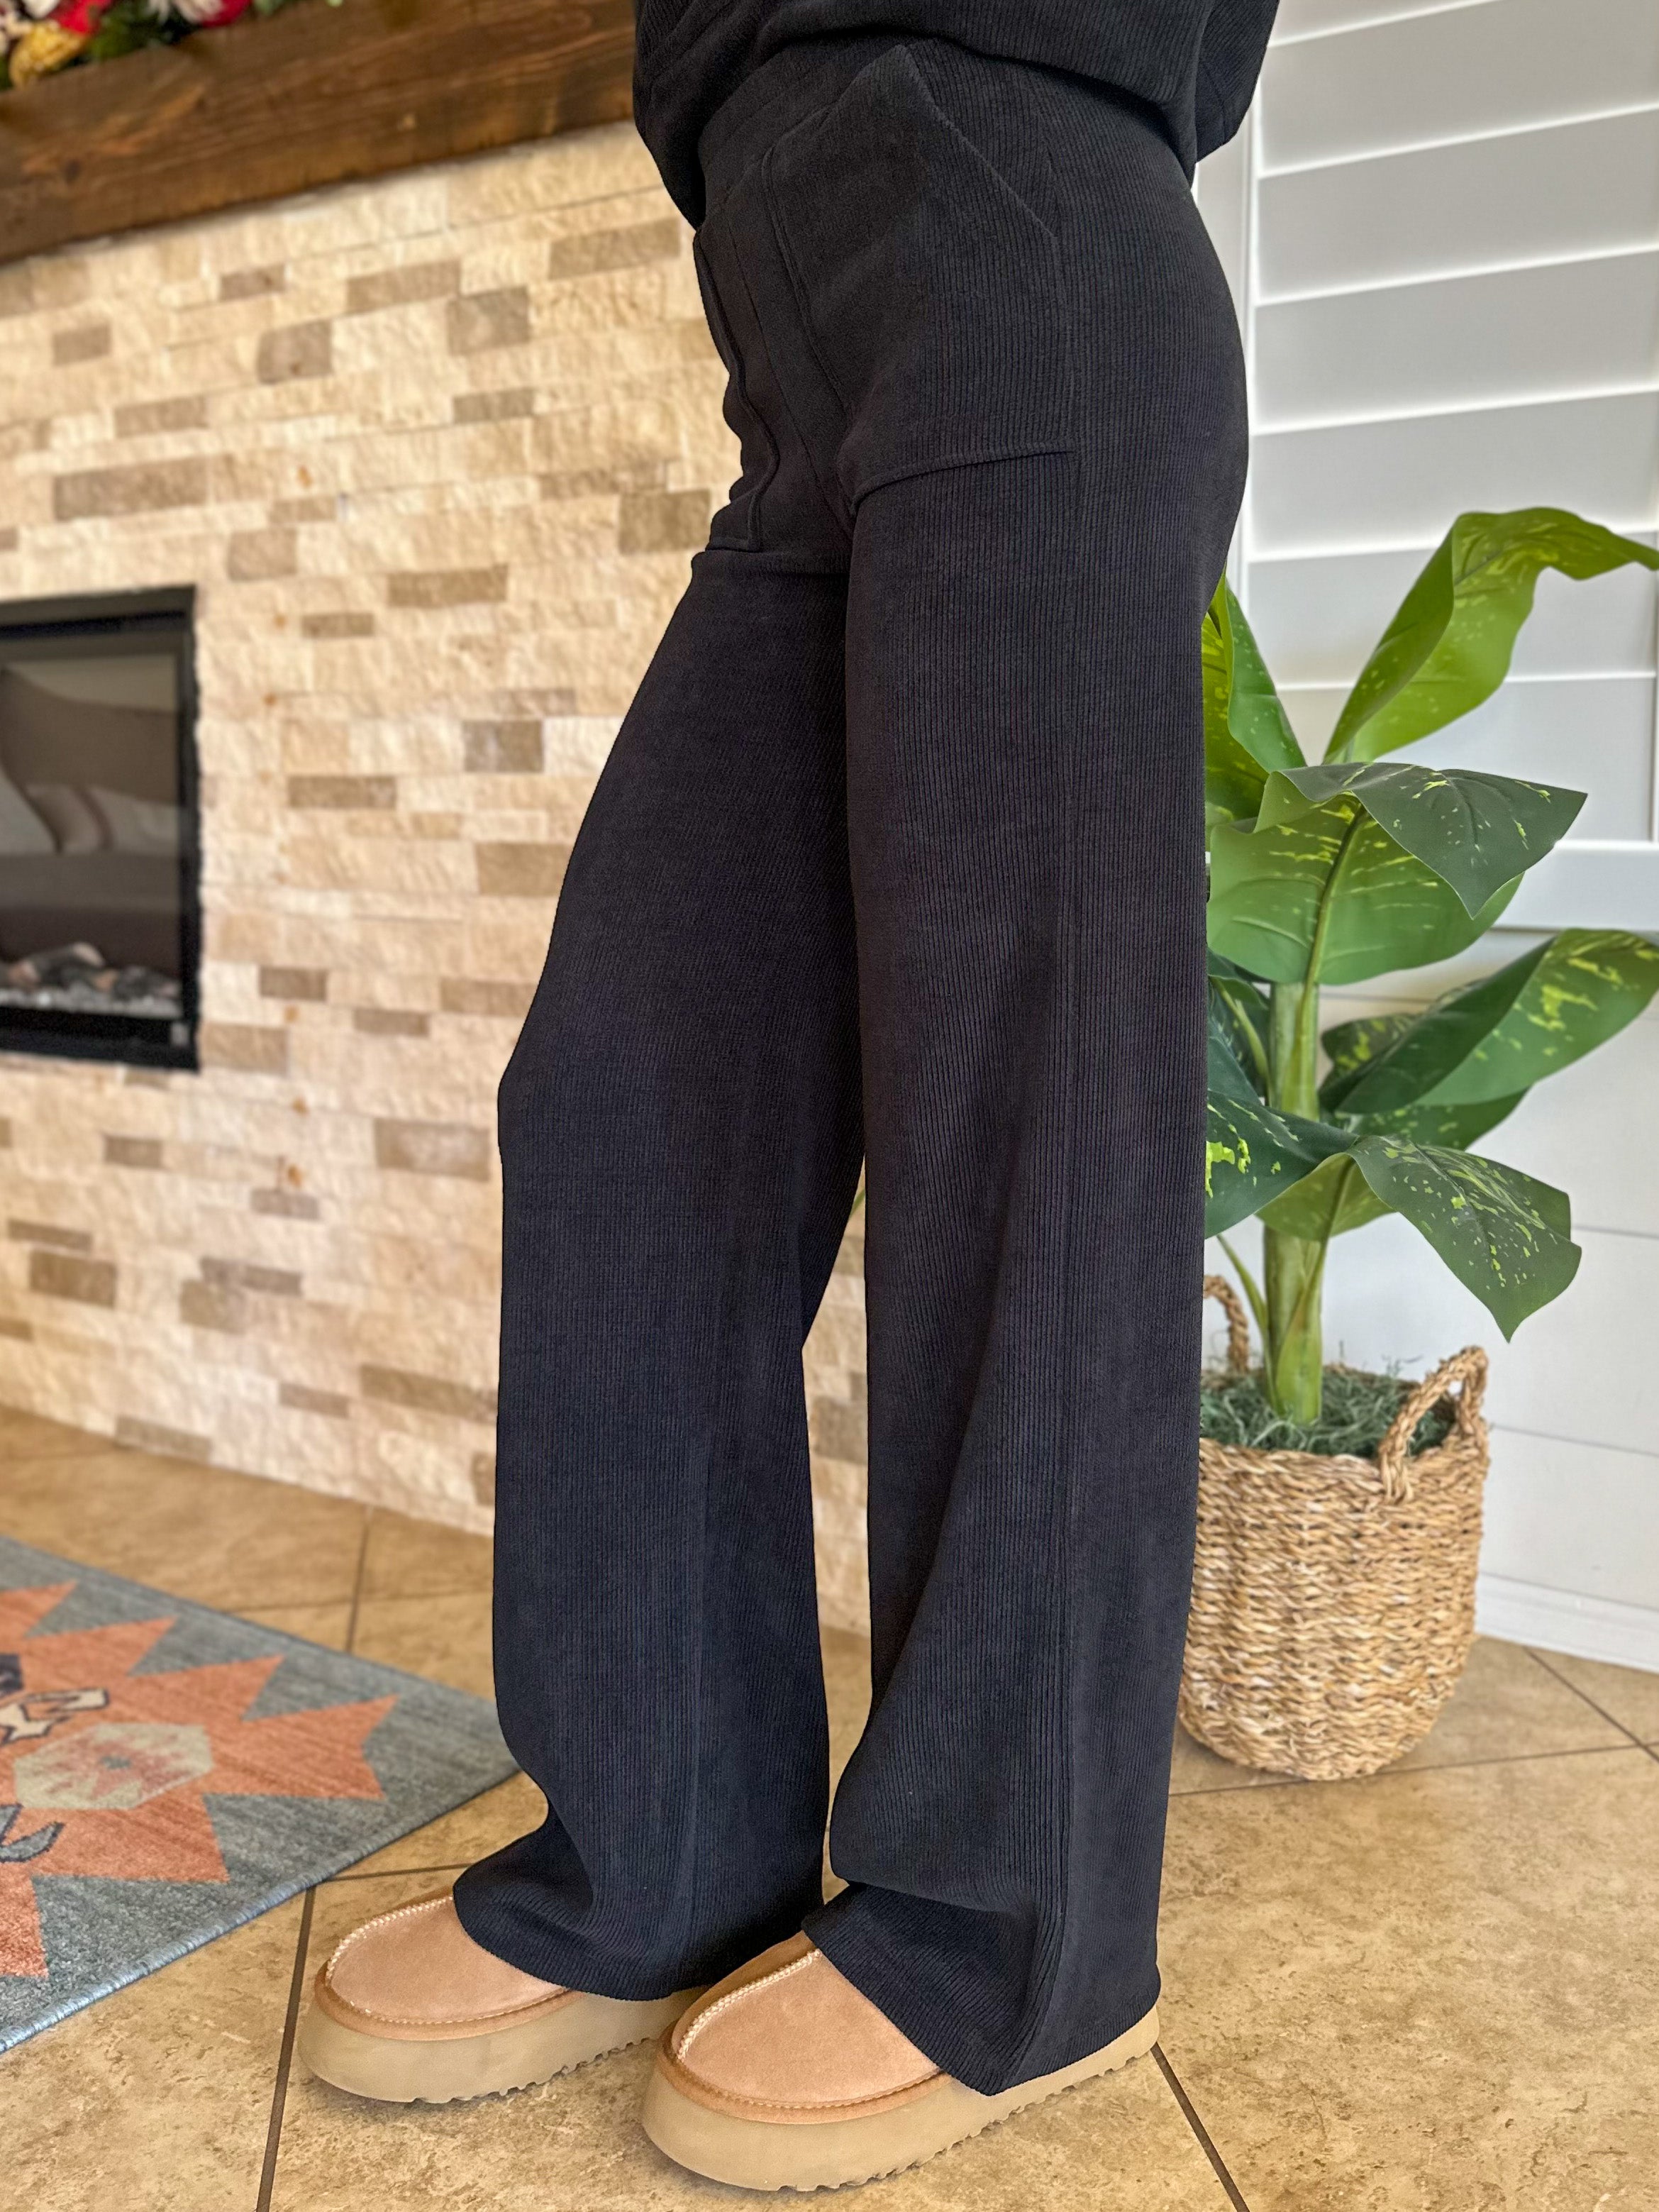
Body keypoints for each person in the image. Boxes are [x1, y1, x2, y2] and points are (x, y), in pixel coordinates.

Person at [297, 0, 1277, 2189]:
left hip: (1024, 272)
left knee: (1021, 1138)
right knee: (626, 1113)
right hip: (799, 379)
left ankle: (1007, 1930)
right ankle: (662, 1853)